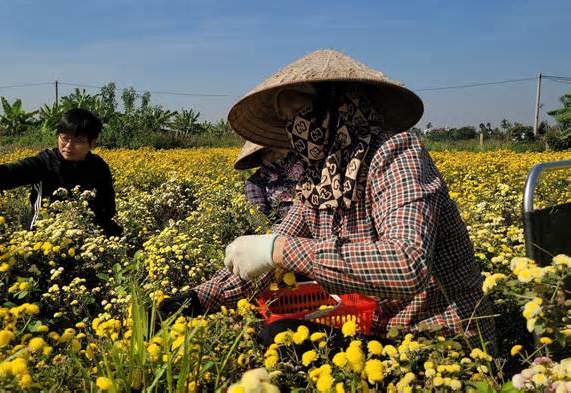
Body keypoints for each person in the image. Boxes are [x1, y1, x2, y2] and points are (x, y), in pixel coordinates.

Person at [158, 49, 495, 347]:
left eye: (302, 113)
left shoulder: (395, 153)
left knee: (282, 338)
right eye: (289, 122)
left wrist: (278, 250)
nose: (297, 130)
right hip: (379, 330)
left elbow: (407, 264)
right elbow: (280, 240)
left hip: (438, 339)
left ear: (339, 103)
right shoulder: (319, 180)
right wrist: (195, 300)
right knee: (273, 333)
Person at [0, 108, 122, 237]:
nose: (68, 146)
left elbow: (107, 205)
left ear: (92, 143)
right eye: (64, 138)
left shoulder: (99, 167)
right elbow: (11, 172)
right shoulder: (45, 162)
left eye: (78, 141)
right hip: (43, 232)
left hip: (86, 232)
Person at [236, 141, 305, 223]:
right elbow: (260, 222)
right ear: (260, 157)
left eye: (278, 146)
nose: (277, 154)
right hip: (284, 232)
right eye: (269, 151)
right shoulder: (254, 183)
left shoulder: (306, 165)